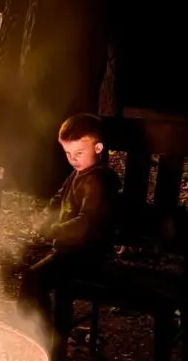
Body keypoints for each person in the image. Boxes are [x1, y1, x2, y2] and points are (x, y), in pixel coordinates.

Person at [19, 113, 122, 333]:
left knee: (33, 280)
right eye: (68, 153)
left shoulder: (98, 181)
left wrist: (53, 230)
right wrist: (45, 216)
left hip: (88, 255)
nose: (73, 159)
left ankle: (39, 337)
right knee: (30, 270)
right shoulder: (79, 174)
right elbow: (59, 198)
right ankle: (36, 328)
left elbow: (86, 223)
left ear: (98, 148)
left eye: (78, 153)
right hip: (70, 250)